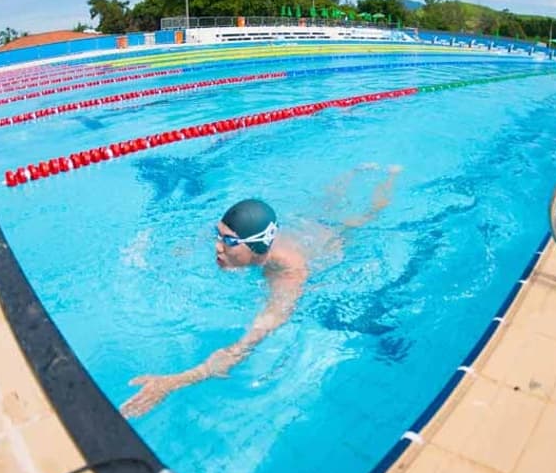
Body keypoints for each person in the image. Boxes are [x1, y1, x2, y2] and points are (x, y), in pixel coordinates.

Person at [120, 165, 403, 418]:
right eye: (219, 236)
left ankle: (391, 176)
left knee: (365, 215)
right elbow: (211, 234)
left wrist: (173, 382)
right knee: (326, 202)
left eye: (229, 242)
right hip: (305, 225)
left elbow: (247, 342)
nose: (217, 247)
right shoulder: (249, 244)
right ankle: (355, 171)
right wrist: (182, 249)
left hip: (330, 239)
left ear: (257, 247)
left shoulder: (287, 274)